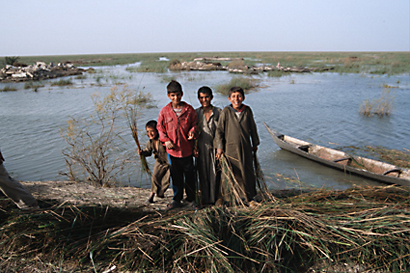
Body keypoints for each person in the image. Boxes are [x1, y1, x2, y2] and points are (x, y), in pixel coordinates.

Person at [214, 86, 260, 205]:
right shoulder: (226, 111)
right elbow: (219, 130)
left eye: (239, 96)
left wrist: (255, 143)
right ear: (229, 98)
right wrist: (219, 147)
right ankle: (229, 198)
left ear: (243, 97)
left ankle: (248, 197)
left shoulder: (247, 110)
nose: (237, 99)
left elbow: (252, 128)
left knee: (247, 172)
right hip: (230, 149)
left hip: (245, 148)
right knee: (230, 173)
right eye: (233, 97)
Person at [157, 80, 198, 209]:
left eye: (178, 95)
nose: (176, 98)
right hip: (173, 152)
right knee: (176, 177)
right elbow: (160, 128)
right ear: (169, 95)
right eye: (173, 95)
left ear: (182, 94)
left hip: (187, 150)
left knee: (190, 176)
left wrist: (192, 132)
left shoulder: (189, 110)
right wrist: (166, 140)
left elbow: (195, 124)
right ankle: (177, 199)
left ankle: (191, 199)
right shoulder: (165, 111)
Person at [194, 86, 222, 205]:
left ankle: (216, 198)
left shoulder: (218, 112)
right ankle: (205, 199)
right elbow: (194, 131)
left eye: (206, 97)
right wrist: (194, 147)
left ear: (211, 98)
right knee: (203, 172)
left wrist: (220, 147)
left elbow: (221, 131)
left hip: (214, 147)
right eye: (201, 98)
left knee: (215, 172)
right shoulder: (196, 113)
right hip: (201, 147)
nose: (204, 100)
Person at [138, 120, 170, 204]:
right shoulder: (151, 142)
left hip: (169, 162)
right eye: (147, 132)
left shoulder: (163, 140)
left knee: (167, 180)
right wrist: (142, 153)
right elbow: (148, 151)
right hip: (159, 162)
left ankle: (170, 196)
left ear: (157, 130)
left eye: (152, 131)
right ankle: (151, 197)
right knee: (155, 178)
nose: (150, 134)